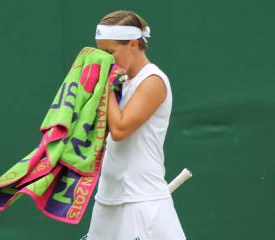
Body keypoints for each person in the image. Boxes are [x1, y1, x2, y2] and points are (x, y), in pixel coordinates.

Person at [85, 10, 186, 240]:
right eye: (100, 52)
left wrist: (105, 86)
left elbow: (120, 129)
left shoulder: (153, 81)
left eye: (109, 52)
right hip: (108, 199)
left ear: (133, 43)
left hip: (143, 202)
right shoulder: (120, 81)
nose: (104, 60)